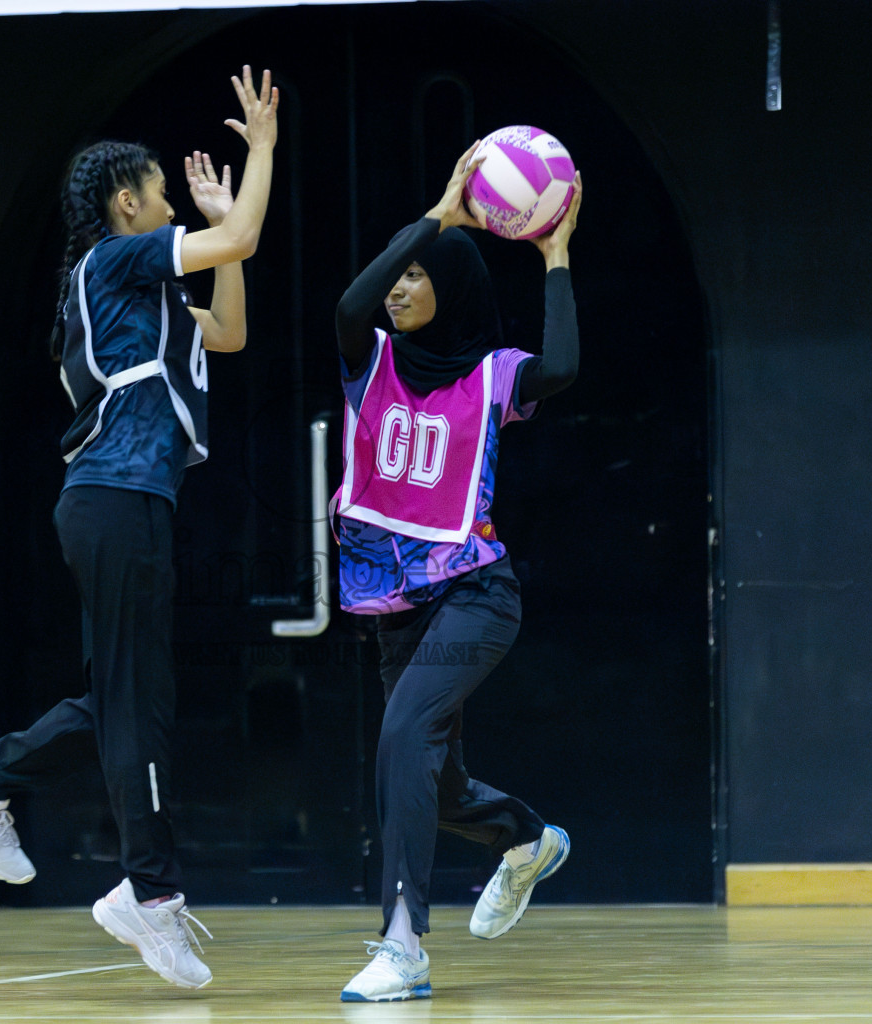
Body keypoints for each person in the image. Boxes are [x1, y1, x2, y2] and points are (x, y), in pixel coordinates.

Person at [0, 65, 280, 991]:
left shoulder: (149, 302)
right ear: (128, 202)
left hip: (131, 503)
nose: (173, 202)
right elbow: (236, 231)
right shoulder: (113, 263)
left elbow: (231, 333)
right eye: (162, 190)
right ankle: (148, 897)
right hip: (114, 498)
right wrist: (261, 154)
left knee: (124, 702)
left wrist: (226, 239)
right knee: (138, 707)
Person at [332, 144, 583, 1003]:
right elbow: (349, 302)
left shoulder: (492, 376)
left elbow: (564, 367)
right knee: (435, 788)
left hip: (477, 594)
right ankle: (526, 839)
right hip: (398, 607)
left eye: (415, 277)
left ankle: (402, 944)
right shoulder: (366, 360)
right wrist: (437, 215)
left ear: (453, 287)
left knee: (401, 739)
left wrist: (554, 258)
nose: (396, 290)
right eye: (394, 276)